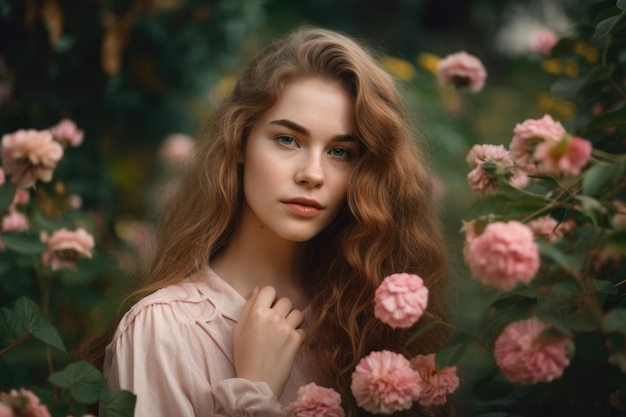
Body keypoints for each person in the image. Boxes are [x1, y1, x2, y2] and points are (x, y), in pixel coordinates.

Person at [91, 26, 452, 416]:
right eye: (287, 140)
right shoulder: (163, 331)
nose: (313, 174)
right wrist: (253, 391)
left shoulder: (366, 324)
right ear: (241, 141)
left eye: (340, 151)